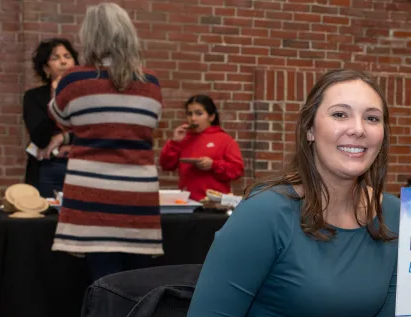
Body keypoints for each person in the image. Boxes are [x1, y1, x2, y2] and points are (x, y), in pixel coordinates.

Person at [181, 70, 399, 317]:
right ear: (309, 129)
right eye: (340, 115)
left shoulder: (393, 215)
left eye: (372, 118)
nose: (358, 129)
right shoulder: (264, 214)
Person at [49, 3, 163, 281]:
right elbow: (151, 125)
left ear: (90, 36)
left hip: (91, 195)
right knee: (139, 285)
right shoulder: (151, 83)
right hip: (138, 196)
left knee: (103, 282)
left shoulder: (74, 80)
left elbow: (61, 118)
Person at [159, 95, 245, 201]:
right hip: (186, 202)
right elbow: (166, 165)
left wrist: (213, 165)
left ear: (211, 117)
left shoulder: (225, 140)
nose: (193, 118)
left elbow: (237, 171)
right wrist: (174, 142)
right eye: (190, 114)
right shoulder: (183, 139)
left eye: (199, 113)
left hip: (214, 203)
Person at [23, 38, 78, 197]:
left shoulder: (86, 95)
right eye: (55, 58)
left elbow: (95, 132)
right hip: (47, 170)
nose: (63, 62)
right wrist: (56, 98)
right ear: (46, 68)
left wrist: (63, 138)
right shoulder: (33, 97)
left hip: (81, 169)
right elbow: (40, 138)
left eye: (67, 57)